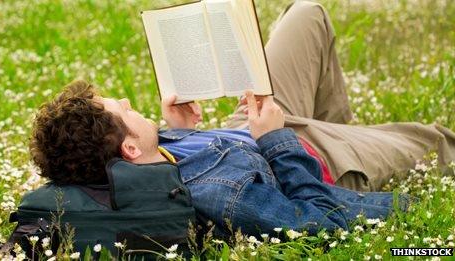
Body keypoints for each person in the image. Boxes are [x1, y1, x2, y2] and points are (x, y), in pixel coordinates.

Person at [29, 1, 454, 236]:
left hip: (249, 123)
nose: (125, 99)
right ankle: (351, 144)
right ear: (129, 148)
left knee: (308, 13)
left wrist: (183, 131)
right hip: (310, 155)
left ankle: (348, 132)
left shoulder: (142, 159)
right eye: (121, 109)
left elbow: (194, 156)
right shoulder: (218, 197)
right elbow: (319, 221)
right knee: (436, 138)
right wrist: (276, 140)